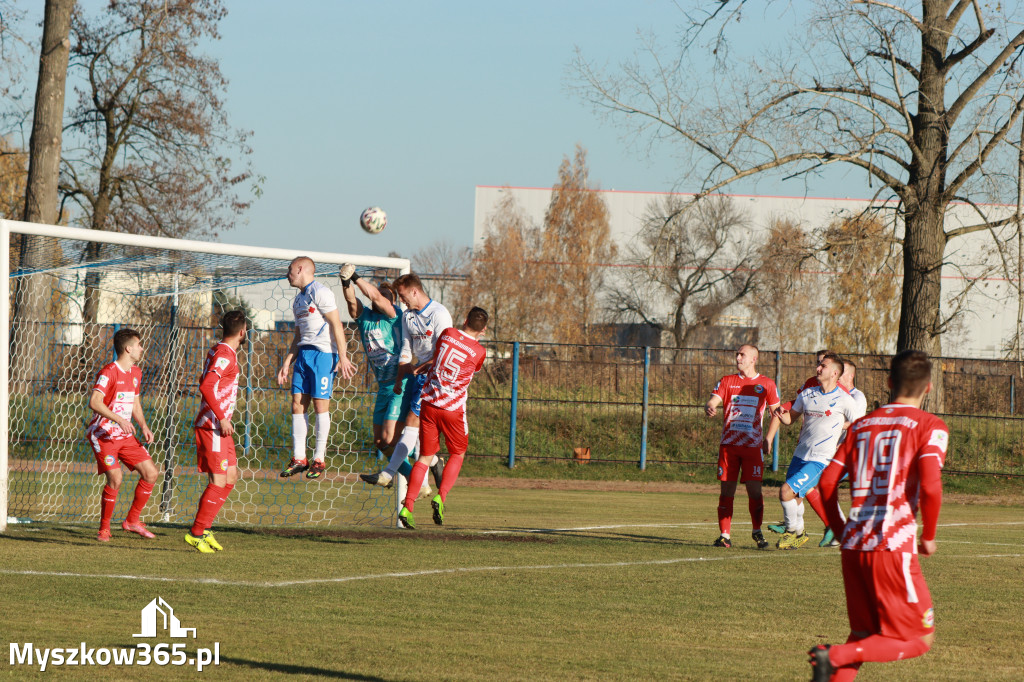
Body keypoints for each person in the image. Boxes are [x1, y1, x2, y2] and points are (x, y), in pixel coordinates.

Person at [808, 350, 948, 681]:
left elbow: (827, 482)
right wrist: (927, 537)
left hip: (855, 545)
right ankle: (834, 655)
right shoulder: (930, 426)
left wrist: (840, 528)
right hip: (892, 546)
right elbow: (930, 486)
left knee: (863, 634)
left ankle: (839, 658)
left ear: (888, 383)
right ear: (928, 387)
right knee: (920, 638)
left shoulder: (861, 425)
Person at [339, 265, 429, 498]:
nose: (380, 299)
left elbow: (378, 298)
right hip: (383, 387)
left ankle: (420, 472)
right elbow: (351, 303)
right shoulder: (366, 318)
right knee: (380, 441)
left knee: (391, 436)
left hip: (401, 382)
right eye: (380, 294)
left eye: (388, 297)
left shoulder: (395, 315)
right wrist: (345, 282)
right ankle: (416, 478)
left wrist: (357, 277)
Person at [397, 307, 488, 529]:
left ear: (465, 319)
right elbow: (471, 367)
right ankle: (441, 497)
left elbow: (439, 357)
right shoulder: (480, 352)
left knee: (425, 457)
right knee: (457, 453)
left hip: (429, 403)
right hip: (453, 409)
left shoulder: (447, 333)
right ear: (483, 330)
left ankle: (408, 507)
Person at [360, 272, 452, 492]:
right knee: (409, 432)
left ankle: (390, 473)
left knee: (411, 425)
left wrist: (419, 367)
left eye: (402, 296)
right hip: (419, 378)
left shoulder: (439, 313)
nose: (401, 301)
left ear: (414, 291)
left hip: (438, 379)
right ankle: (430, 464)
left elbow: (445, 351)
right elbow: (406, 349)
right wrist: (402, 377)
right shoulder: (408, 316)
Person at [276, 256, 357, 479]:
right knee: (297, 404)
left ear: (301, 269)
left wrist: (343, 356)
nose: (287, 273)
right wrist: (286, 362)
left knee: (321, 405)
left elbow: (337, 324)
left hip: (322, 355)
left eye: (290, 269)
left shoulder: (320, 292)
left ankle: (319, 459)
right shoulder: (298, 300)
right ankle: (300, 458)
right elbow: (298, 336)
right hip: (303, 355)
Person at [772, 353, 859, 550]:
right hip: (800, 455)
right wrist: (780, 413)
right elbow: (790, 419)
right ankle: (799, 533)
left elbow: (859, 426)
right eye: (819, 365)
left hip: (821, 460)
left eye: (823, 366)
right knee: (794, 497)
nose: (818, 368)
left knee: (785, 491)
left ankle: (790, 532)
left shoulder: (845, 400)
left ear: (835, 373)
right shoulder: (807, 394)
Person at [703, 344, 780, 550]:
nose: (738, 357)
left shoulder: (766, 384)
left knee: (754, 492)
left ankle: (757, 531)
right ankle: (724, 535)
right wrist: (709, 407)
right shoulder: (727, 381)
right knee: (727, 490)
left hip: (752, 447)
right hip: (729, 446)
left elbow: (777, 414)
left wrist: (769, 438)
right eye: (737, 354)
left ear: (753, 359)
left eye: (742, 354)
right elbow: (714, 400)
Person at [86, 328, 158, 542]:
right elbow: (94, 402)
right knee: (116, 478)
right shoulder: (109, 372)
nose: (141, 348)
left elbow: (134, 402)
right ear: (128, 348)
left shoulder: (136, 372)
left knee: (151, 474)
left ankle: (132, 521)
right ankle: (104, 529)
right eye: (138, 344)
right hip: (103, 435)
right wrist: (119, 419)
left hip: (124, 436)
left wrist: (143, 425)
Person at [185, 310, 247, 554]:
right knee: (218, 480)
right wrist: (222, 417)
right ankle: (196, 533)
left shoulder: (219, 350)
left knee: (230, 478)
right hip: (213, 425)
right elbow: (206, 385)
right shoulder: (224, 355)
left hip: (221, 426)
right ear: (243, 332)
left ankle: (206, 528)